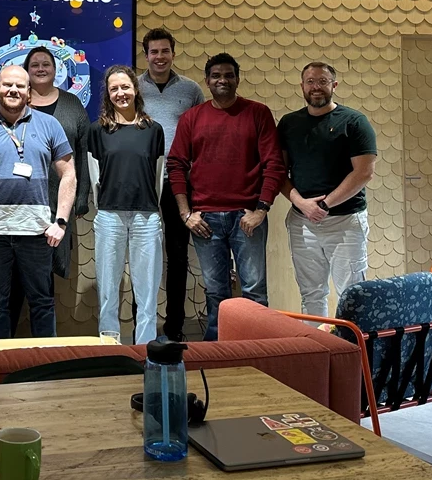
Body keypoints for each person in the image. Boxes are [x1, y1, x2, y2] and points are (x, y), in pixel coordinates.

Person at [167, 53, 285, 341]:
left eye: (229, 75)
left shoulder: (258, 113)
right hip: (205, 219)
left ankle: (259, 349)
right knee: (215, 291)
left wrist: (262, 210)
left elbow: (275, 164)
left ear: (237, 79)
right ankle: (218, 351)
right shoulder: (192, 118)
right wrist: (186, 214)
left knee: (254, 290)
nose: (223, 80)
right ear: (207, 81)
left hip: (248, 217)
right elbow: (176, 165)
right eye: (216, 75)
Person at [0, 65, 74, 339]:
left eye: (20, 86)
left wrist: (60, 221)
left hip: (37, 233)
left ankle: (46, 368)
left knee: (42, 302)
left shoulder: (50, 125)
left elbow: (69, 173)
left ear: (29, 93)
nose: (13, 90)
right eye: (6, 85)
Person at [277, 62, 377, 317]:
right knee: (311, 293)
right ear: (302, 86)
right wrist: (302, 204)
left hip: (345, 222)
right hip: (302, 224)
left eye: (322, 81)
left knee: (352, 295)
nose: (316, 87)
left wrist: (324, 205)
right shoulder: (289, 123)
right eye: (310, 82)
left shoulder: (354, 121)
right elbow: (278, 172)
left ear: (334, 85)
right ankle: (317, 350)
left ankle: (352, 352)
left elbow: (364, 172)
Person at [7, 46, 90, 335]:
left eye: (46, 64)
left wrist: (80, 201)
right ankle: (7, 346)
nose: (41, 69)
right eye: (35, 65)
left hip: (58, 207)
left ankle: (42, 345)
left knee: (43, 279)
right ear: (26, 71)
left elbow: (82, 154)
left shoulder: (72, 105)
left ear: (56, 70)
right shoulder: (12, 103)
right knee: (13, 277)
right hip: (18, 206)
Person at [88, 65, 165, 344]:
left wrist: (152, 207)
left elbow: (158, 176)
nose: (121, 93)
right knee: (108, 289)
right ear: (108, 95)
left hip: (146, 216)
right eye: (114, 89)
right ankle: (110, 346)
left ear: (135, 89)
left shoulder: (153, 130)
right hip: (110, 216)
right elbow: (95, 175)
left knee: (146, 291)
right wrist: (103, 208)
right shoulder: (97, 131)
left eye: (125, 87)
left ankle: (145, 348)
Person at [137, 27, 204, 342]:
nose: (159, 57)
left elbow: (202, 136)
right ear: (146, 54)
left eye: (165, 51)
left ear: (173, 53)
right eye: (154, 52)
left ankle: (175, 327)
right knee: (143, 254)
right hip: (143, 184)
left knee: (177, 257)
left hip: (180, 184)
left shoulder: (190, 90)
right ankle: (144, 325)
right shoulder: (133, 88)